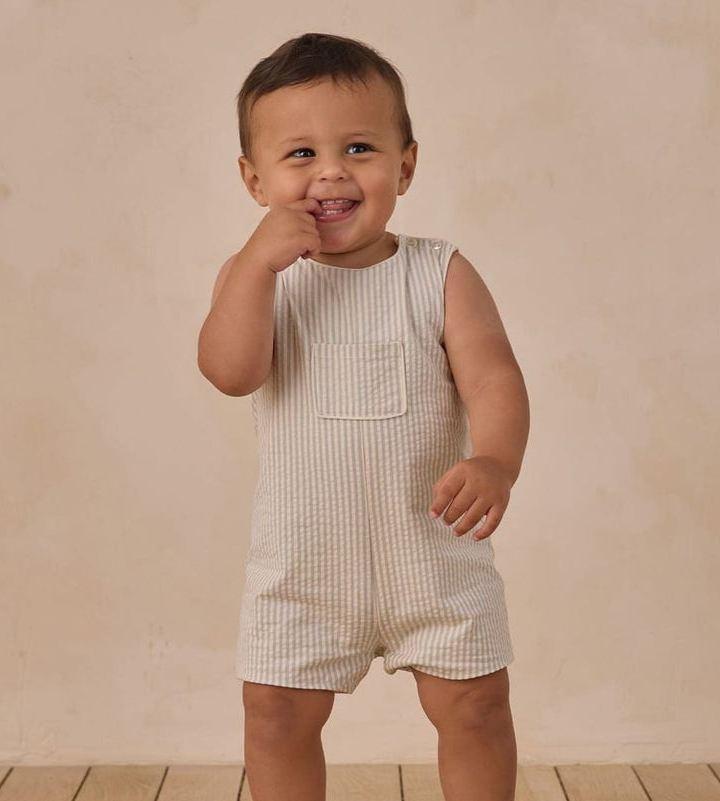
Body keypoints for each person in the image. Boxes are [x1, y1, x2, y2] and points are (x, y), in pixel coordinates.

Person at [198, 32, 529, 801]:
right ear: (254, 180)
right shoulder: (260, 282)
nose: (332, 173)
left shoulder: (437, 272)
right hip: (304, 559)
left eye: (357, 147)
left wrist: (497, 462)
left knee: (477, 707)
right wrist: (252, 266)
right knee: (275, 715)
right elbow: (228, 370)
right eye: (300, 155)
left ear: (405, 165)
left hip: (434, 549)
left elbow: (495, 377)